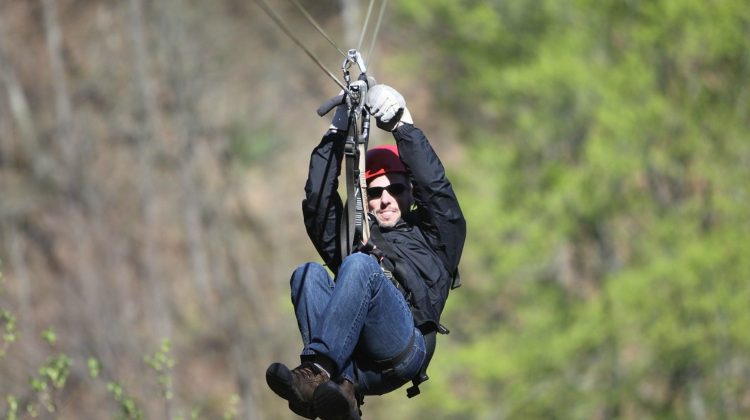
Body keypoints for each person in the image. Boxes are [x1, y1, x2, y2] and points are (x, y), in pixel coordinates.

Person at [266, 84, 466, 420]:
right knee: (308, 274)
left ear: (409, 192)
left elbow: (438, 194)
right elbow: (318, 206)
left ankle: (316, 376)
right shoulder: (353, 238)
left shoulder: (435, 237)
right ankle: (340, 395)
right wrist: (336, 132)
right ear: (365, 199)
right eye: (375, 191)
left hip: (404, 345)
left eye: (396, 188)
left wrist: (403, 126)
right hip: (355, 360)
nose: (386, 198)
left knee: (360, 265)